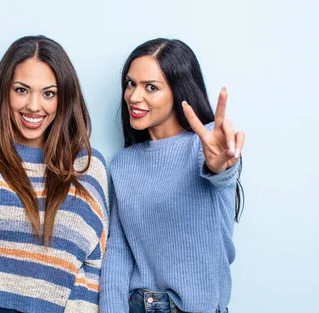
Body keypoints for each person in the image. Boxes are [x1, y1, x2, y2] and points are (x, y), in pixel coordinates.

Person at [0, 35, 109, 313]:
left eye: (48, 93)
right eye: (22, 90)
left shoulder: (87, 166)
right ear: (5, 91)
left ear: (63, 98)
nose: (34, 106)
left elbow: (98, 261)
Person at [100, 38, 245, 313]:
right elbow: (118, 254)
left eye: (151, 87)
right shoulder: (122, 164)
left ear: (178, 92)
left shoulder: (205, 148)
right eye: (131, 84)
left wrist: (222, 166)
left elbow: (220, 172)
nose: (134, 96)